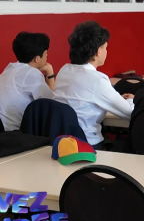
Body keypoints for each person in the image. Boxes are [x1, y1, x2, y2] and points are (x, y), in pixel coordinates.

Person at [53, 21, 134, 149]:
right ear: (98, 51)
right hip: (88, 145)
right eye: (105, 47)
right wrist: (131, 100)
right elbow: (129, 112)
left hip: (61, 144)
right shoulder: (97, 80)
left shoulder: (64, 70)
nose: (107, 51)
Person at [0, 32, 54, 131]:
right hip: (14, 134)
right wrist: (50, 72)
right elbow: (51, 104)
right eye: (46, 54)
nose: (47, 57)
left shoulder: (10, 67)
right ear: (37, 59)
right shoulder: (31, 73)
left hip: (3, 129)